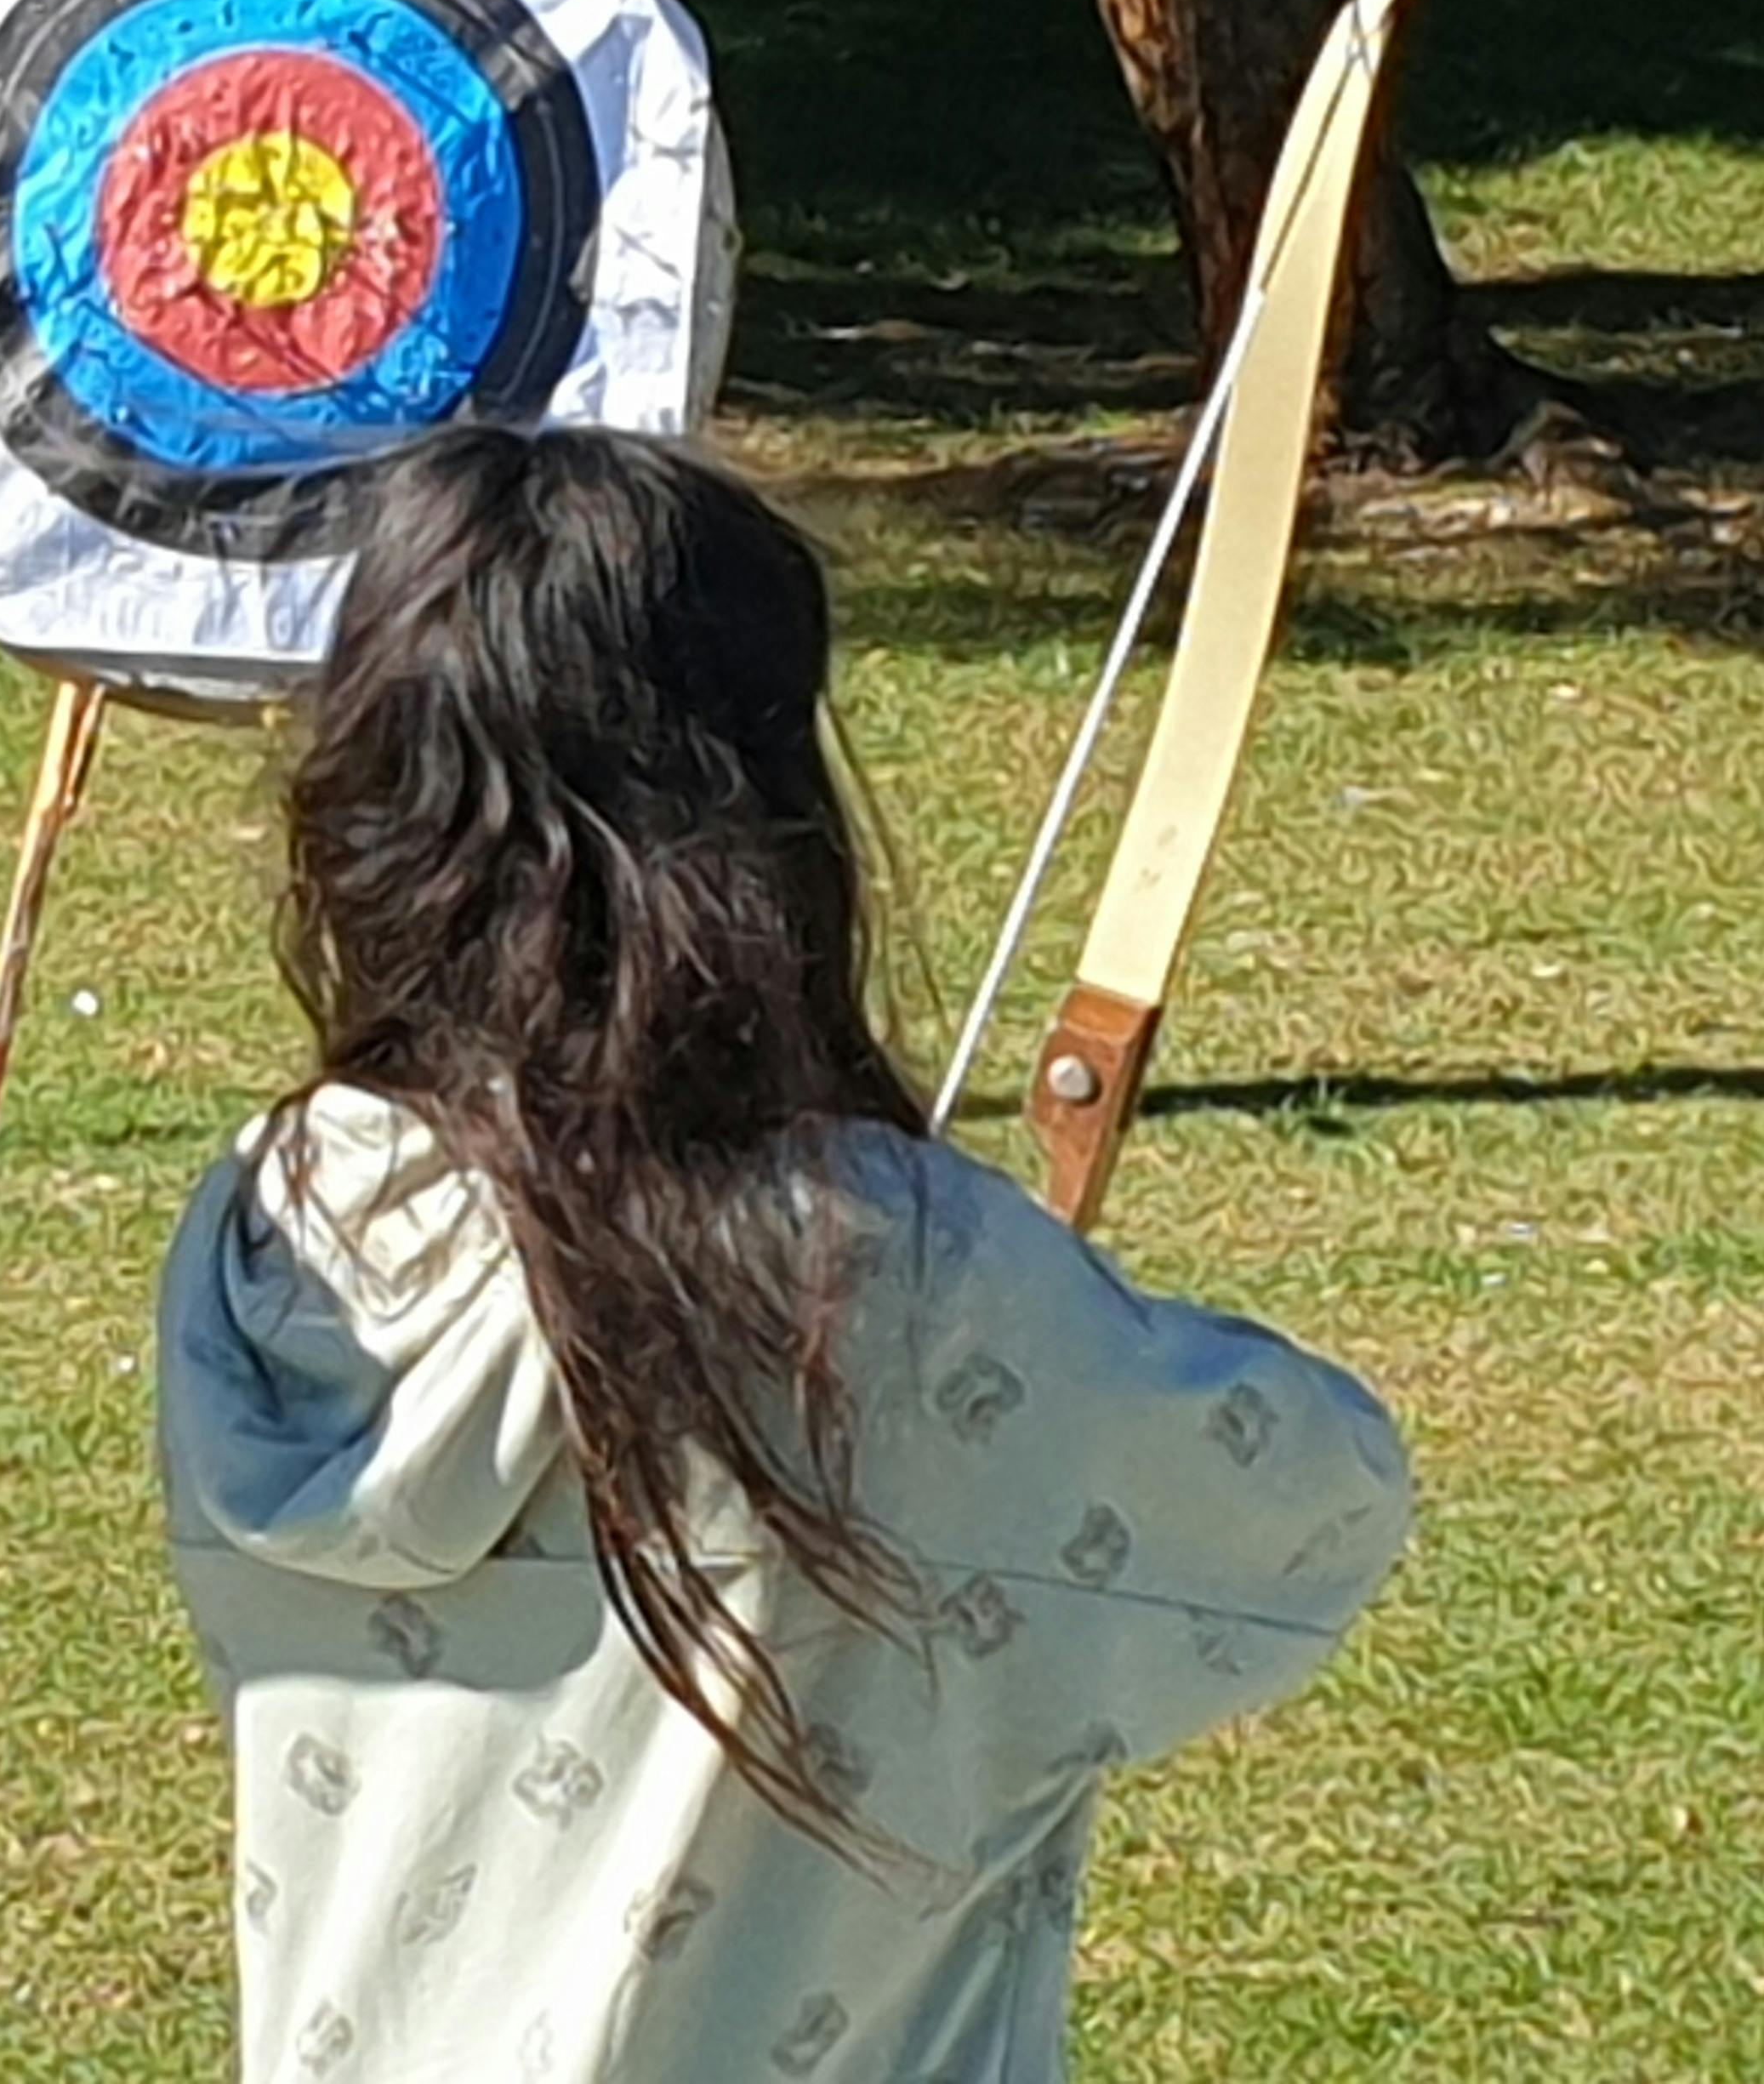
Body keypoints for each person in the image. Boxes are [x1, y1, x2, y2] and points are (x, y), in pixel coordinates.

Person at [156, 424, 1409, 2083]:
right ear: (758, 814)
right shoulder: (888, 1276)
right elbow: (1317, 1508)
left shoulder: (269, 1228)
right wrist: (1006, 1298)